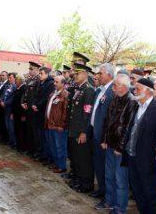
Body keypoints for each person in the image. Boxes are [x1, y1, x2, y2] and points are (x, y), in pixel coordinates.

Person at [125, 78, 156, 214]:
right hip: (133, 157)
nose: (134, 91)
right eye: (134, 89)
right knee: (138, 192)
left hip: (149, 161)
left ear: (148, 91)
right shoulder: (136, 106)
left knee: (151, 194)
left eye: (138, 88)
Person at [100, 74, 132, 213]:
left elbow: (128, 128)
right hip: (110, 145)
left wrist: (120, 147)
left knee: (120, 180)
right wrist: (104, 139)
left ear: (124, 87)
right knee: (109, 176)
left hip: (120, 149)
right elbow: (108, 122)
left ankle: (120, 208)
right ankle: (109, 201)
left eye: (115, 85)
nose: (113, 88)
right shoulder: (115, 99)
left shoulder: (131, 102)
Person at [67, 63, 95, 193]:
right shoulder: (79, 89)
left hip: (81, 131)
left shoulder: (88, 90)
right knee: (76, 157)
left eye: (77, 73)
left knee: (83, 159)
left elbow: (86, 113)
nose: (75, 76)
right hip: (74, 129)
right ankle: (79, 180)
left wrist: (84, 131)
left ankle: (87, 184)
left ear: (84, 74)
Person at [89, 63, 115, 206]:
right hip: (95, 133)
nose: (98, 76)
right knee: (98, 165)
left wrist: (104, 137)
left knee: (106, 168)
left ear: (109, 74)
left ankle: (107, 196)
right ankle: (101, 190)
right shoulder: (101, 90)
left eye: (101, 73)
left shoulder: (112, 91)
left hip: (104, 137)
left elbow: (110, 118)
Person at [45, 75, 69, 173]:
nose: (54, 83)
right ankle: (56, 163)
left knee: (60, 147)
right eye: (54, 81)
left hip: (58, 127)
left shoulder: (65, 94)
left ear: (63, 84)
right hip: (50, 124)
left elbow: (65, 112)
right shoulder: (53, 93)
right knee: (53, 146)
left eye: (56, 82)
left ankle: (62, 166)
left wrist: (62, 125)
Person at [31, 67, 55, 164]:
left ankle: (44, 155)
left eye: (41, 73)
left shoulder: (50, 83)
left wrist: (37, 106)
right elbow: (35, 95)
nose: (40, 75)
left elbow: (46, 98)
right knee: (37, 135)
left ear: (47, 74)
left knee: (43, 136)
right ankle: (39, 152)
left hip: (42, 112)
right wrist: (33, 104)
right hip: (36, 111)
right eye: (39, 73)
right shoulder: (40, 82)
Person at [21, 61, 41, 156]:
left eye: (31, 69)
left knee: (34, 131)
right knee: (29, 130)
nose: (29, 71)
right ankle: (30, 149)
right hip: (27, 109)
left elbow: (37, 95)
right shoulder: (29, 80)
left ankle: (36, 151)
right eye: (29, 69)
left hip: (34, 110)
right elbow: (25, 94)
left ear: (37, 70)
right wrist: (22, 102)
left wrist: (33, 104)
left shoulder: (38, 80)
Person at [12, 75, 28, 153]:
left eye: (16, 80)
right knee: (17, 130)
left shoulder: (24, 88)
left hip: (21, 114)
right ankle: (18, 145)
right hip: (16, 113)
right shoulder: (17, 88)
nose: (15, 81)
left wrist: (24, 115)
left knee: (21, 131)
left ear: (20, 81)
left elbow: (24, 102)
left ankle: (22, 147)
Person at [1, 73, 17, 148]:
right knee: (7, 126)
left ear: (14, 78)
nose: (9, 79)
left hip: (10, 109)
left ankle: (14, 142)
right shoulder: (7, 86)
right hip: (5, 109)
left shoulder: (14, 87)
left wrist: (5, 103)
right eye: (9, 77)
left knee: (11, 127)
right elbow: (3, 95)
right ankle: (10, 141)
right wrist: (1, 100)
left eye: (11, 77)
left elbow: (13, 98)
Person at [0, 71, 10, 142]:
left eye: (3, 75)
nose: (1, 76)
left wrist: (2, 102)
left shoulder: (7, 84)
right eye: (1, 75)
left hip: (4, 107)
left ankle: (4, 138)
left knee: (4, 123)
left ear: (6, 76)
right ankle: (0, 136)